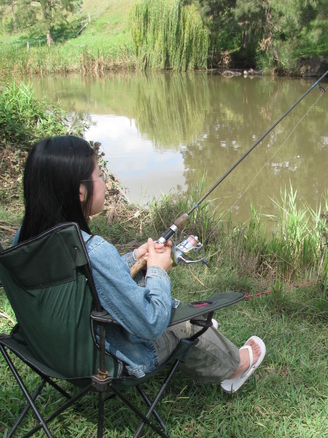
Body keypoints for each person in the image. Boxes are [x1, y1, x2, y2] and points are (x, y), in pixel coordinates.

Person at [14, 135, 265, 392]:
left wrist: (136, 257)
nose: (104, 182)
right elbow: (151, 324)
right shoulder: (94, 251)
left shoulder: (24, 240)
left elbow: (89, 277)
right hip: (107, 361)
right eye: (100, 175)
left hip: (48, 352)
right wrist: (158, 270)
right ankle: (235, 365)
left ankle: (201, 330)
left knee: (147, 285)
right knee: (179, 319)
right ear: (80, 192)